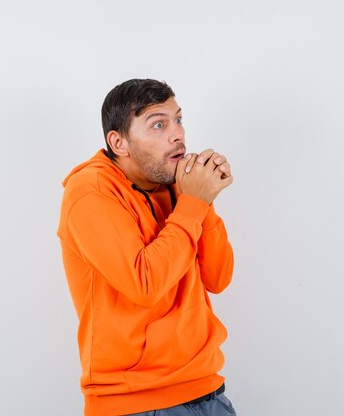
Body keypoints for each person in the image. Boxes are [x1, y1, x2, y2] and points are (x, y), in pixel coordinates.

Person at [57, 79, 237, 416]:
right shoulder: (90, 192)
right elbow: (145, 284)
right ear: (119, 142)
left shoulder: (175, 187)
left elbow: (218, 277)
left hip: (208, 391)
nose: (177, 134)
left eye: (178, 120)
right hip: (135, 402)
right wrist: (194, 202)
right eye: (158, 124)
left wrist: (202, 199)